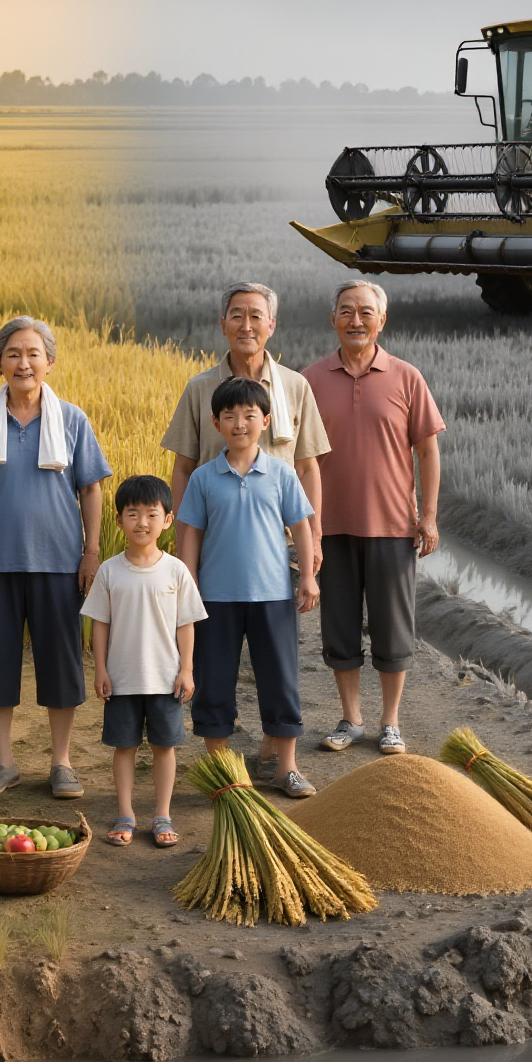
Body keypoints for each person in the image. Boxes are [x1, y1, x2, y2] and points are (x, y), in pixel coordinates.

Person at [0, 315, 110, 798]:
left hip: (59, 562)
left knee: (60, 664)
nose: (23, 363)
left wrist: (92, 553)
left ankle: (61, 763)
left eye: (33, 353)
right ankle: (2, 762)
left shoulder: (72, 419)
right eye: (13, 354)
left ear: (50, 362)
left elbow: (91, 489)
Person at [302, 281, 444, 754]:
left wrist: (429, 515)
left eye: (366, 311)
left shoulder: (406, 377)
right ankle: (351, 719)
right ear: (333, 319)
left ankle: (390, 722)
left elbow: (427, 449)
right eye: (346, 311)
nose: (356, 320)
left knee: (393, 627)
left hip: (393, 526)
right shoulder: (310, 380)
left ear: (382, 320)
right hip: (329, 526)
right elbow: (296, 457)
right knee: (338, 626)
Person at [177, 378, 320, 796]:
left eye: (249, 415)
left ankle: (286, 767)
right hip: (215, 599)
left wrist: (308, 576)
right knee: (213, 679)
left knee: (280, 679)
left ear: (266, 420)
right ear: (216, 422)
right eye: (230, 416)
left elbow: (301, 526)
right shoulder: (204, 478)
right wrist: (188, 586)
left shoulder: (281, 473)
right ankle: (222, 768)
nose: (240, 423)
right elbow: (191, 535)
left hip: (273, 596)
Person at [82, 474, 206, 849]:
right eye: (132, 514)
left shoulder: (176, 571)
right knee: (124, 747)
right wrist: (100, 669)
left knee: (164, 747)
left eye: (152, 514)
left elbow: (186, 625)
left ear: (167, 520)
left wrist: (186, 670)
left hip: (165, 679)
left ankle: (162, 814)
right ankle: (125, 814)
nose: (142, 523)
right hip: (121, 679)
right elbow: (100, 625)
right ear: (119, 519)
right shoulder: (109, 570)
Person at [164, 282, 328, 540]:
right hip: (216, 537)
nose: (246, 326)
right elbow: (184, 468)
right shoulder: (199, 389)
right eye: (237, 316)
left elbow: (307, 467)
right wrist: (185, 534)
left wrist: (314, 534)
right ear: (223, 324)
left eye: (256, 317)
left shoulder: (295, 386)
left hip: (282, 539)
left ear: (271, 325)